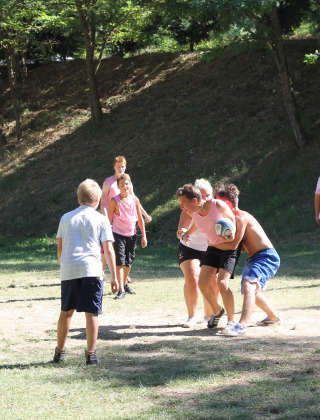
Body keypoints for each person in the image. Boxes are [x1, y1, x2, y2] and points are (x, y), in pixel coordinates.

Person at [54, 179, 118, 365]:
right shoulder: (101, 219)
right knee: (92, 313)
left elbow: (60, 246)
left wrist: (64, 265)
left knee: (66, 312)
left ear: (78, 197)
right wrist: (114, 276)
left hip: (70, 269)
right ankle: (91, 354)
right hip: (92, 270)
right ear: (98, 200)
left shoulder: (65, 218)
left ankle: (60, 351)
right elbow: (108, 249)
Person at [213, 183, 281, 336]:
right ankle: (273, 317)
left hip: (266, 256)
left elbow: (234, 245)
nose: (215, 206)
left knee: (249, 285)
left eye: (218, 202)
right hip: (253, 258)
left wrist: (215, 241)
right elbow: (241, 247)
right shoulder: (231, 221)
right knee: (250, 289)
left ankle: (241, 325)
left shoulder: (241, 217)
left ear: (228, 204)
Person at [176, 184, 241, 330]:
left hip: (228, 249)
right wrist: (185, 234)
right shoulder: (194, 214)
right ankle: (217, 311)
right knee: (203, 283)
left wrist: (231, 234)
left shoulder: (217, 205)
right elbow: (195, 226)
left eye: (183, 203)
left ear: (194, 201)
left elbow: (234, 219)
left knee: (222, 284)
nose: (181, 207)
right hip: (212, 249)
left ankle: (232, 322)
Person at [100, 156, 151, 282]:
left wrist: (145, 214)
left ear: (125, 166)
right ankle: (101, 273)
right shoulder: (108, 182)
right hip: (110, 217)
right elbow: (103, 203)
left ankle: (124, 276)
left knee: (122, 250)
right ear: (114, 167)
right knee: (106, 246)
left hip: (124, 219)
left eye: (122, 166)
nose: (120, 169)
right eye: (118, 166)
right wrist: (107, 219)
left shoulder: (127, 182)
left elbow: (134, 200)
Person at [177, 178, 219, 328]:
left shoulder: (215, 206)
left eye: (207, 195)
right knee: (193, 277)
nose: (204, 198)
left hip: (210, 248)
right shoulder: (188, 209)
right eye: (201, 195)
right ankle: (191, 317)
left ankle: (210, 315)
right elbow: (180, 231)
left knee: (214, 282)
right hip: (190, 248)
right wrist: (183, 234)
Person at [108, 173, 147, 299]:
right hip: (118, 234)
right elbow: (108, 221)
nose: (125, 186)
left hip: (131, 234)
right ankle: (120, 290)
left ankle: (124, 284)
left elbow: (140, 219)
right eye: (122, 185)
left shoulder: (135, 200)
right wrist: (107, 238)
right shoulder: (114, 201)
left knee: (129, 261)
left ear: (130, 185)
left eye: (127, 184)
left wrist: (144, 236)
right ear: (118, 186)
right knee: (120, 261)